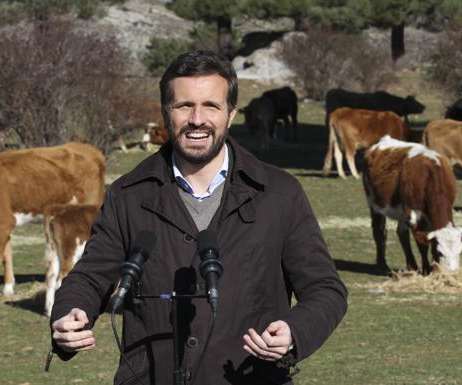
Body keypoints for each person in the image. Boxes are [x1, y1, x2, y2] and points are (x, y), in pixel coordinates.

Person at [50, 50, 348, 385]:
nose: (197, 119)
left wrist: (295, 331)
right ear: (167, 113)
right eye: (184, 106)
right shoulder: (128, 194)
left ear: (231, 114)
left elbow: (325, 289)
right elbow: (90, 277)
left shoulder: (280, 194)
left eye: (211, 106)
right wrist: (70, 312)